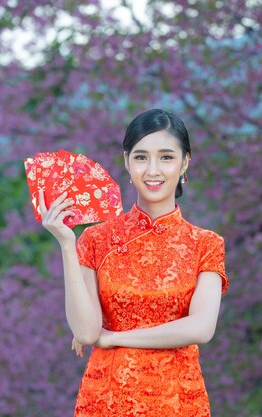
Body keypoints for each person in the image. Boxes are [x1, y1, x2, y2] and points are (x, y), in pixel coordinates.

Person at [39, 109, 229, 417]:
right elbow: (87, 333)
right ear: (127, 162)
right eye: (141, 157)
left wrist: (114, 337)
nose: (152, 169)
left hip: (178, 402)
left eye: (166, 157)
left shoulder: (205, 243)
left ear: (185, 163)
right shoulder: (95, 239)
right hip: (105, 400)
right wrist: (66, 243)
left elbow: (201, 327)